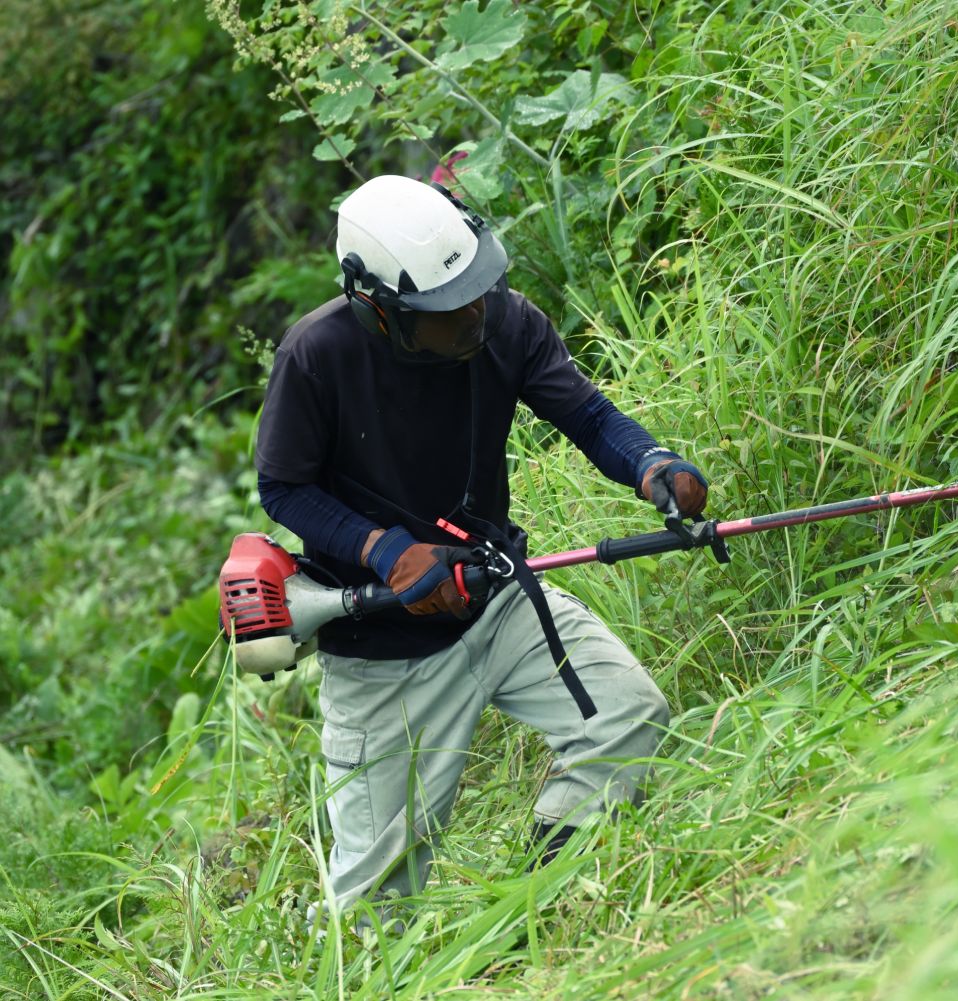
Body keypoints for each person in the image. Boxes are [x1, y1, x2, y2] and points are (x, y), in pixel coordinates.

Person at [253, 173, 709, 916]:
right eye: (444, 310)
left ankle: (534, 911)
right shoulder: (316, 357)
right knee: (375, 911)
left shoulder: (504, 321)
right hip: (382, 655)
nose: (471, 315)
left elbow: (590, 418)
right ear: (378, 306)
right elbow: (285, 488)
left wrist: (654, 464)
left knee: (627, 719)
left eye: (475, 289)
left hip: (497, 600)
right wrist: (387, 551)